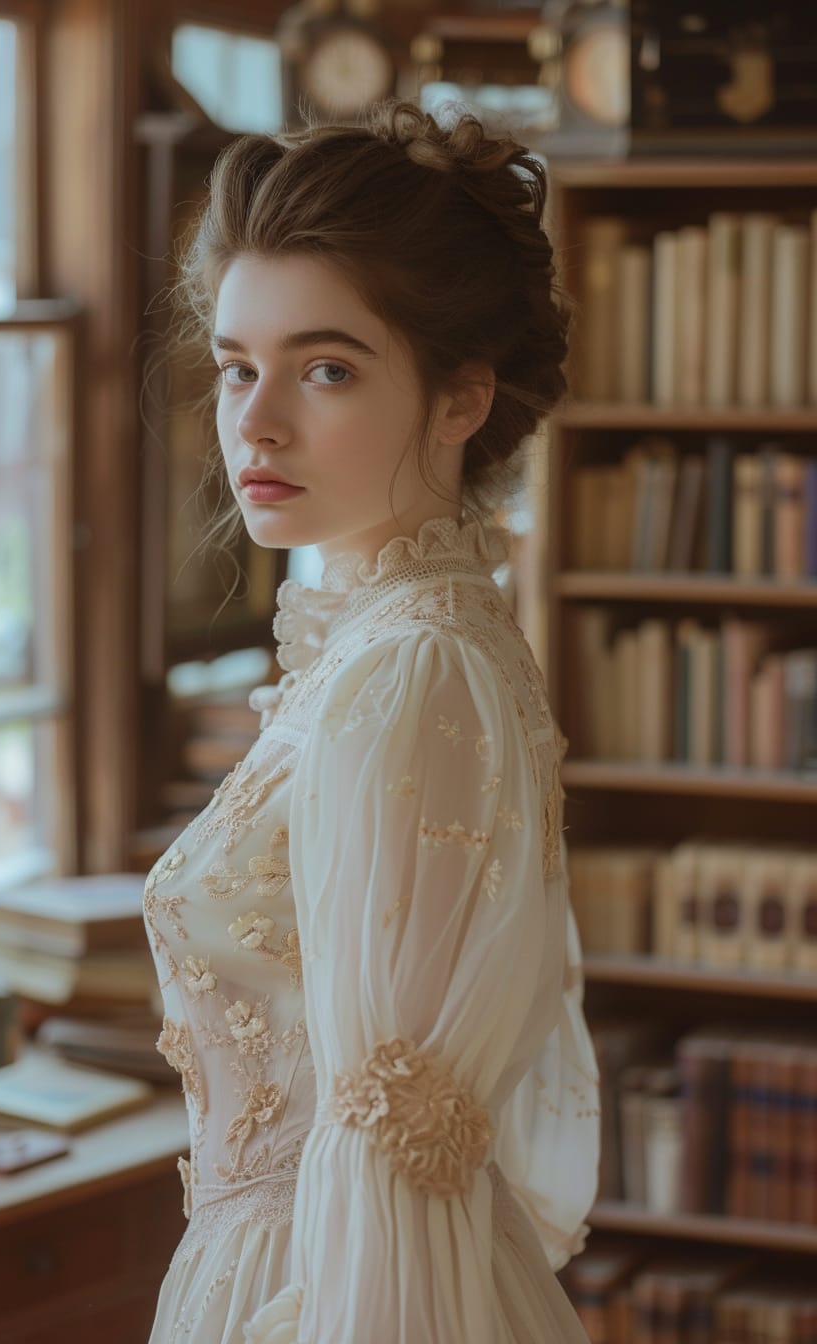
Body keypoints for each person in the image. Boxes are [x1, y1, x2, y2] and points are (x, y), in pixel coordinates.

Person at [144, 99, 599, 1344]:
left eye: (325, 367)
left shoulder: (410, 672)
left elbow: (393, 1131)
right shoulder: (397, 635)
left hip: (335, 1286)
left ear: (461, 400)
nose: (256, 421)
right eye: (239, 365)